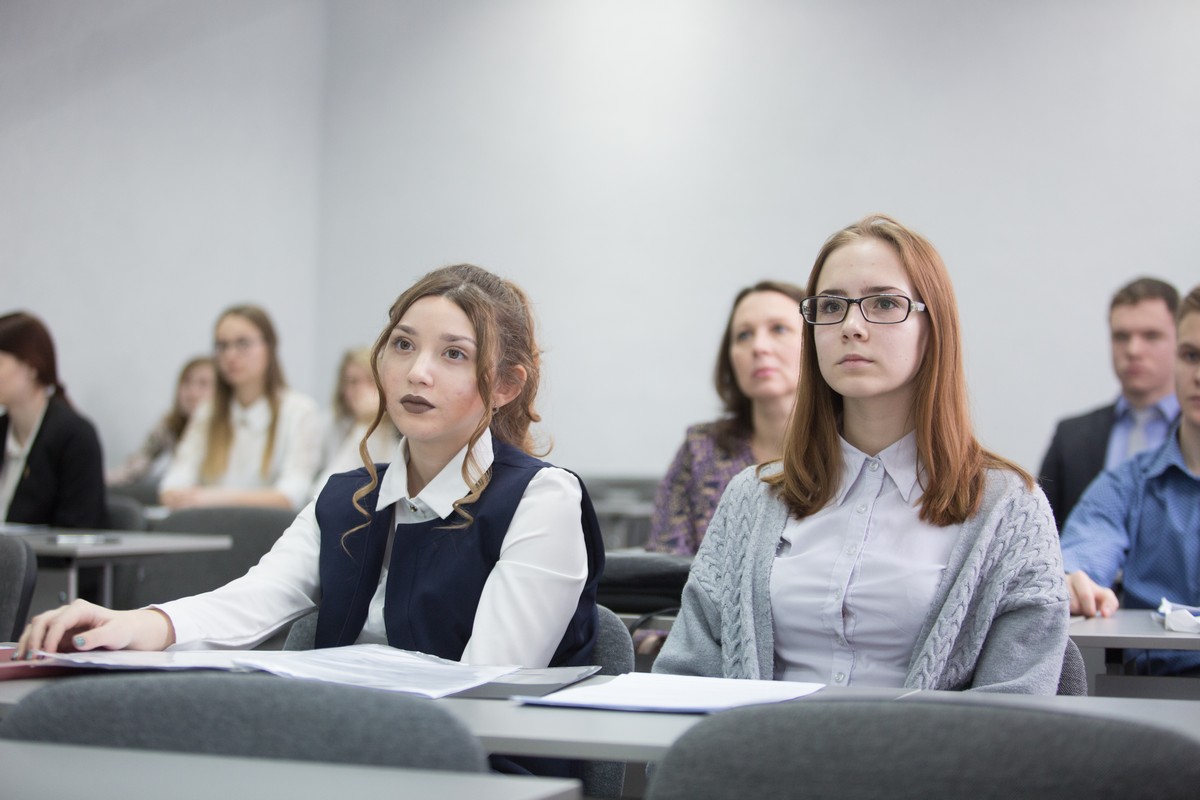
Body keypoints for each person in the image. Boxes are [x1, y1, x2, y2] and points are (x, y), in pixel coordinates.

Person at [16, 264, 604, 774]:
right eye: (402, 345)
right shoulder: (346, 495)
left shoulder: (541, 498)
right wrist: (139, 623)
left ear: (505, 385)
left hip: (475, 769)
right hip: (343, 752)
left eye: (454, 354)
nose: (416, 372)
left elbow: (486, 685)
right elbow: (255, 598)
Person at [653, 214, 1069, 693]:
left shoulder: (1009, 509)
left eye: (885, 303)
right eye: (831, 306)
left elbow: (1017, 713)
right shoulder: (751, 498)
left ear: (934, 327)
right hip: (759, 741)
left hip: (931, 746)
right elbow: (683, 679)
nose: (851, 326)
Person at [1060, 284, 1200, 676]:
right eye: (1191, 356)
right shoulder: (1126, 484)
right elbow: (1085, 551)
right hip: (1150, 695)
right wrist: (1071, 579)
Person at [647, 281, 805, 555]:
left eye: (779, 329)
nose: (759, 347)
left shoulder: (851, 449)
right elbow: (664, 565)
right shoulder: (701, 449)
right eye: (744, 335)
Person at [1039, 278, 1179, 530]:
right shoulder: (1071, 438)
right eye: (1121, 337)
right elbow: (1040, 531)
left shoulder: (1192, 429)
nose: (1133, 350)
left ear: (1180, 341)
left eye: (1151, 336)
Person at [158, 304, 321, 511]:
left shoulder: (300, 412)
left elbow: (290, 496)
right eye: (222, 345)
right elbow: (171, 485)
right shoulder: (208, 413)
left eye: (243, 343)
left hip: (270, 530)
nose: (230, 355)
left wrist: (208, 498)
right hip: (209, 526)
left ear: (269, 346)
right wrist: (186, 496)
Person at [0, 311, 108, 529]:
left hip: (42, 552)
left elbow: (77, 529)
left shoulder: (75, 436)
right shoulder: (3, 429)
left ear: (30, 367)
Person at [107, 356, 216, 490]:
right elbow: (140, 462)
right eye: (186, 382)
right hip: (183, 493)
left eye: (203, 384)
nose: (192, 393)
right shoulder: (170, 424)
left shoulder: (228, 427)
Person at [311, 347, 399, 496]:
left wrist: (369, 423)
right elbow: (322, 489)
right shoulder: (330, 422)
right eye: (353, 382)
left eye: (370, 381)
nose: (361, 390)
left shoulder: (397, 429)